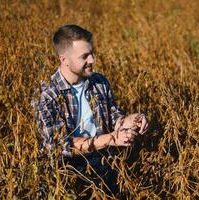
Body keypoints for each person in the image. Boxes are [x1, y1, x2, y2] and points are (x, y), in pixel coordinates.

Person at [37, 24, 148, 197]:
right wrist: (111, 139)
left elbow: (113, 117)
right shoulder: (47, 95)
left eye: (92, 53)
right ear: (63, 59)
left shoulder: (98, 82)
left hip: (106, 166)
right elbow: (59, 146)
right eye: (85, 56)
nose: (92, 60)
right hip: (69, 174)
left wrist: (133, 120)